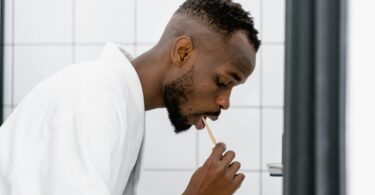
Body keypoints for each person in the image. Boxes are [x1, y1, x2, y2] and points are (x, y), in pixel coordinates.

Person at [0, 0, 260, 194]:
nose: (225, 102)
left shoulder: (117, 105)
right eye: (223, 82)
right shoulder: (91, 103)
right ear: (182, 52)